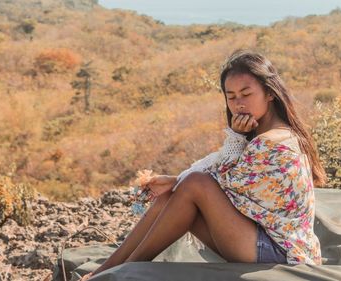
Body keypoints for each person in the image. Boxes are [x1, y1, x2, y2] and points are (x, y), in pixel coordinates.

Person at [80, 49, 327, 280]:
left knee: (195, 184)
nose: (239, 103)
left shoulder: (273, 142)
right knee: (171, 198)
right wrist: (176, 181)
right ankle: (105, 271)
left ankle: (120, 274)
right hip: (258, 236)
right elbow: (220, 172)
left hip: (280, 252)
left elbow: (219, 181)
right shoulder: (264, 135)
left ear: (270, 92)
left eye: (246, 94)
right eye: (231, 97)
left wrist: (233, 139)